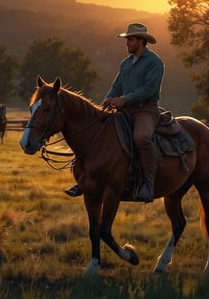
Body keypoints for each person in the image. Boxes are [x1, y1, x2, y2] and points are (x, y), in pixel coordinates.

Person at [65, 23, 165, 202]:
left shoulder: (155, 62)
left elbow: (150, 89)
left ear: (141, 41)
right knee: (95, 132)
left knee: (141, 137)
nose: (127, 43)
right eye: (127, 39)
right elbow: (116, 87)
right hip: (124, 109)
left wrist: (125, 99)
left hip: (145, 110)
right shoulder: (125, 63)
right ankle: (85, 178)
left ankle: (147, 182)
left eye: (131, 39)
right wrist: (104, 104)